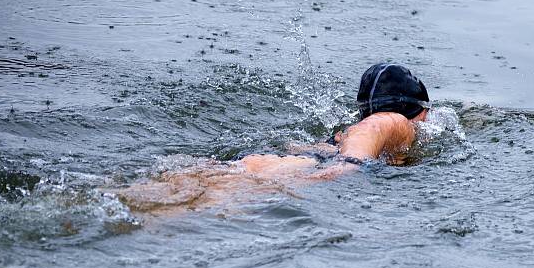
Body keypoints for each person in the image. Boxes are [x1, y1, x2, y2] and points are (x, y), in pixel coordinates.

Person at [112, 63, 431, 215]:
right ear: (420, 113)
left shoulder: (341, 134)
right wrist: (349, 167)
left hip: (263, 165)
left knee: (138, 205)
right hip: (288, 173)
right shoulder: (398, 123)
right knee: (156, 215)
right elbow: (374, 128)